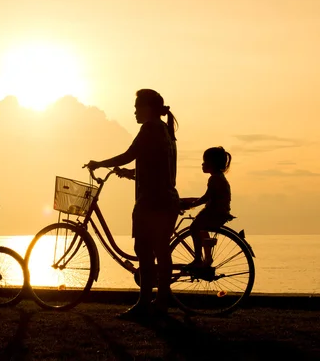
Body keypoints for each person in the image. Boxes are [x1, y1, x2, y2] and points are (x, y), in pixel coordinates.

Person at [86, 88, 179, 319]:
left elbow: (130, 154)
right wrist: (130, 173)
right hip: (166, 199)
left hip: (150, 202)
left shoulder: (149, 129)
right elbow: (156, 166)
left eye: (137, 106)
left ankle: (145, 303)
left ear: (147, 108)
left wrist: (100, 163)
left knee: (145, 252)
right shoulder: (165, 131)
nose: (134, 111)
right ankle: (160, 302)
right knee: (160, 252)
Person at [180, 147, 233, 268]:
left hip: (215, 212)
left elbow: (206, 197)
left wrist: (192, 204)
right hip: (219, 212)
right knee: (201, 229)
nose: (202, 164)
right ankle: (207, 258)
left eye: (205, 161)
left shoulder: (215, 179)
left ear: (212, 164)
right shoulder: (219, 177)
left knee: (194, 228)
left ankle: (198, 259)